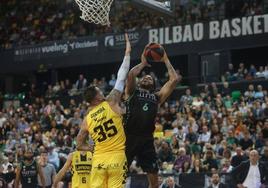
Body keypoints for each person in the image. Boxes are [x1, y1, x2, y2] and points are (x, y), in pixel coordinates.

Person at [76, 33, 131, 188]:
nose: (102, 91)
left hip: (99, 159)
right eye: (99, 91)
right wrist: (127, 53)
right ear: (97, 98)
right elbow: (121, 77)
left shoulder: (87, 119)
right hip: (117, 158)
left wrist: (91, 148)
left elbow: (79, 144)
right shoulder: (111, 102)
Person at [124, 45, 180, 188]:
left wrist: (166, 59)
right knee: (118, 177)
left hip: (146, 140)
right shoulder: (132, 92)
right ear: (140, 82)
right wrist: (142, 64)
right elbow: (131, 75)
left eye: (150, 78)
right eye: (144, 77)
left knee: (154, 183)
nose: (147, 78)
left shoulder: (157, 97)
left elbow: (174, 80)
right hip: (128, 137)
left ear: (154, 85)